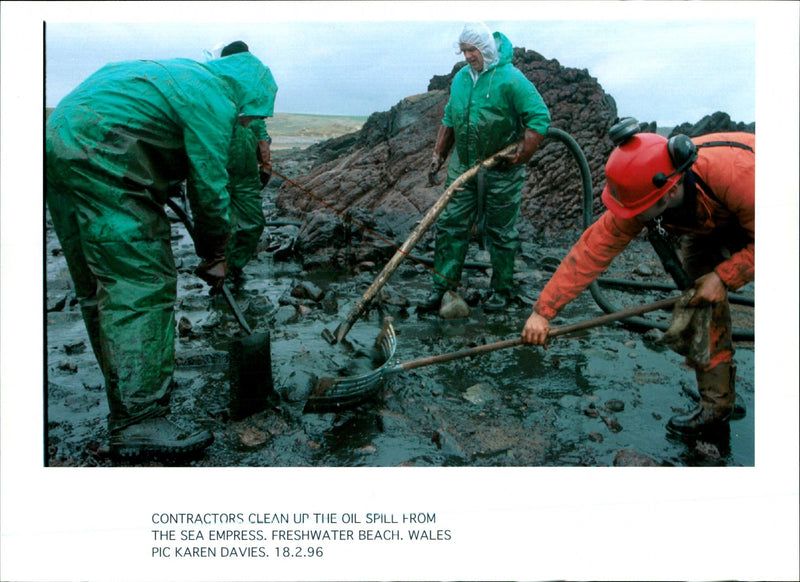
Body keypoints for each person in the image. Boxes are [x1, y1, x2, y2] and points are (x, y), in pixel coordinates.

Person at [46, 51, 278, 459]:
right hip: (106, 152)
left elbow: (151, 129)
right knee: (142, 284)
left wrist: (158, 175)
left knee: (96, 283)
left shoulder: (183, 74)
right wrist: (214, 255)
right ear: (245, 93)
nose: (244, 123)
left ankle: (126, 394)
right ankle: (139, 420)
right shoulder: (215, 98)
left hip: (59, 137)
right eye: (249, 115)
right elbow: (209, 188)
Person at [521, 119, 755, 437]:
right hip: (709, 220)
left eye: (637, 211)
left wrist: (725, 278)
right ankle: (718, 402)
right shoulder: (643, 189)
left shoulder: (741, 173)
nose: (627, 219)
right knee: (700, 299)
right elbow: (590, 252)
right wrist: (543, 311)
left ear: (669, 191)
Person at [422, 22, 551, 314]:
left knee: (500, 232)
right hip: (463, 166)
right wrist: (438, 155)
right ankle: (443, 289)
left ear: (486, 49)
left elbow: (539, 117)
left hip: (502, 169)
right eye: (464, 50)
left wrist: (521, 155)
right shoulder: (460, 80)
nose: (468, 56)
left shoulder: (511, 79)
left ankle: (502, 290)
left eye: (473, 50)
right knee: (450, 225)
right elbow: (450, 118)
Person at [217, 41, 277, 284]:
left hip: (246, 176)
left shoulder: (253, 95)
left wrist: (266, 165)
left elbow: (261, 134)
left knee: (253, 223)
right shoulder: (215, 91)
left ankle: (234, 267)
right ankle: (220, 270)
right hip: (217, 172)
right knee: (223, 224)